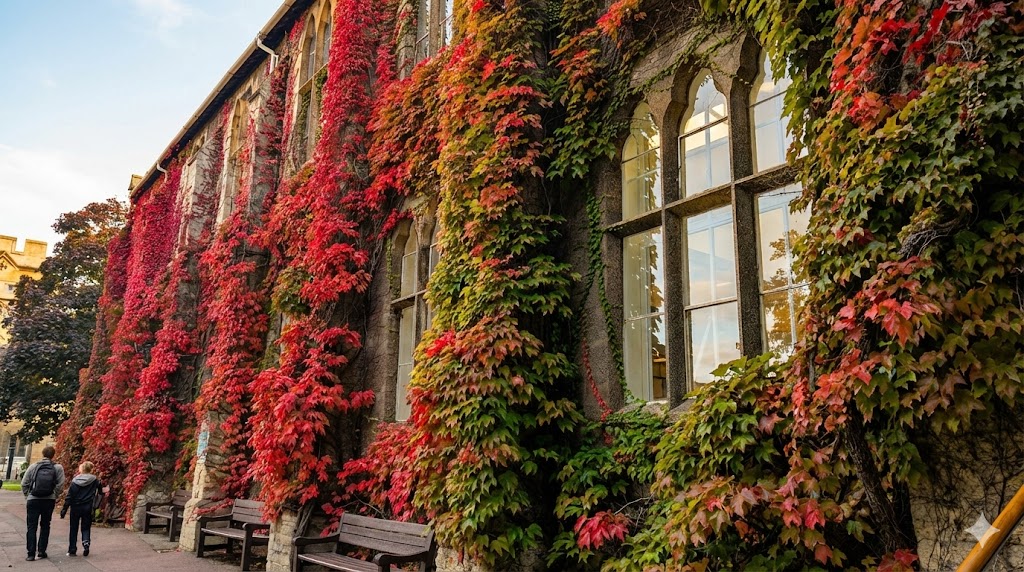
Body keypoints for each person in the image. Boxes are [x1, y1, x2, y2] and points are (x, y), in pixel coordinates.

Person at [20, 445, 65, 561]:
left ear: (43, 454)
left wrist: (28, 496)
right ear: (53, 455)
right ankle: (41, 551)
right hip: (48, 500)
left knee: (31, 526)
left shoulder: (33, 466)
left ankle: (30, 554)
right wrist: (54, 495)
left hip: (33, 499)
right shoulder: (58, 468)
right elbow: (61, 484)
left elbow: (24, 483)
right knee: (45, 525)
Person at [60, 461, 104, 557]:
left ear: (81, 469)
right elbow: (101, 492)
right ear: (90, 469)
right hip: (87, 507)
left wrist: (64, 509)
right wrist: (96, 505)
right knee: (86, 527)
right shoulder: (95, 480)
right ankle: (86, 543)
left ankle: (72, 549)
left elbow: (69, 496)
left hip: (75, 507)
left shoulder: (75, 481)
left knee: (73, 528)